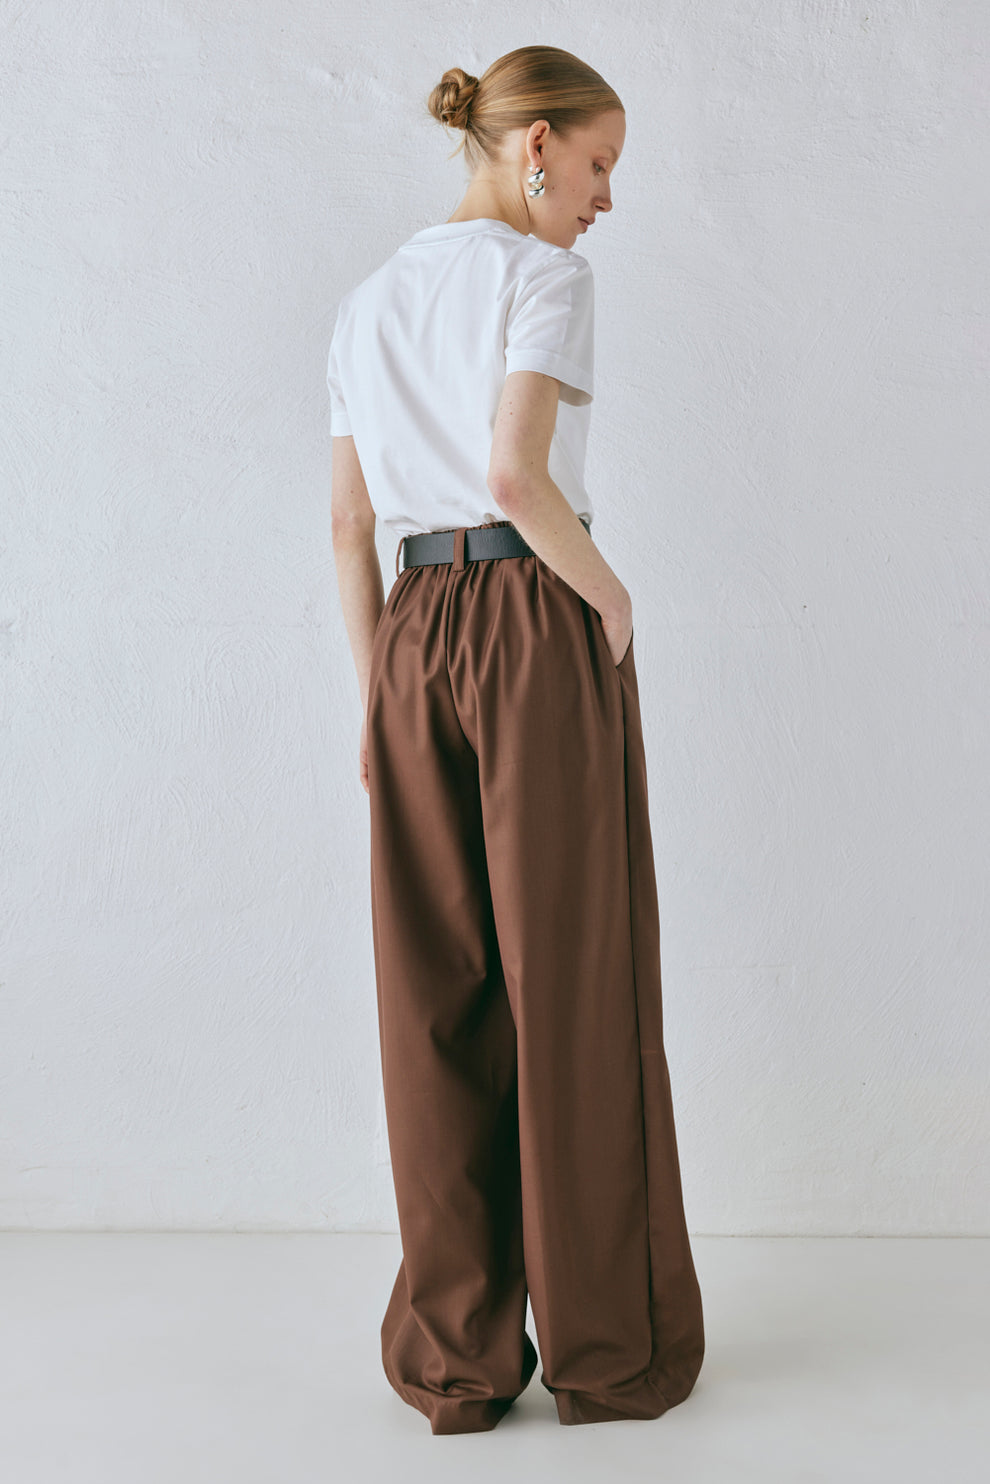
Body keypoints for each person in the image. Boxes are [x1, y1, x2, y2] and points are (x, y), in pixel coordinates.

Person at [327, 44, 705, 1435]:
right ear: (534, 144)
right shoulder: (543, 278)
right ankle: (608, 1351)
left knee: (434, 995)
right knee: (575, 978)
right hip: (532, 619)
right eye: (599, 164)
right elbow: (513, 474)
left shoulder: (366, 302)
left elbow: (348, 526)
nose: (605, 199)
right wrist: (610, 601)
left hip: (409, 631)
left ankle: (457, 1363)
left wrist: (373, 697)